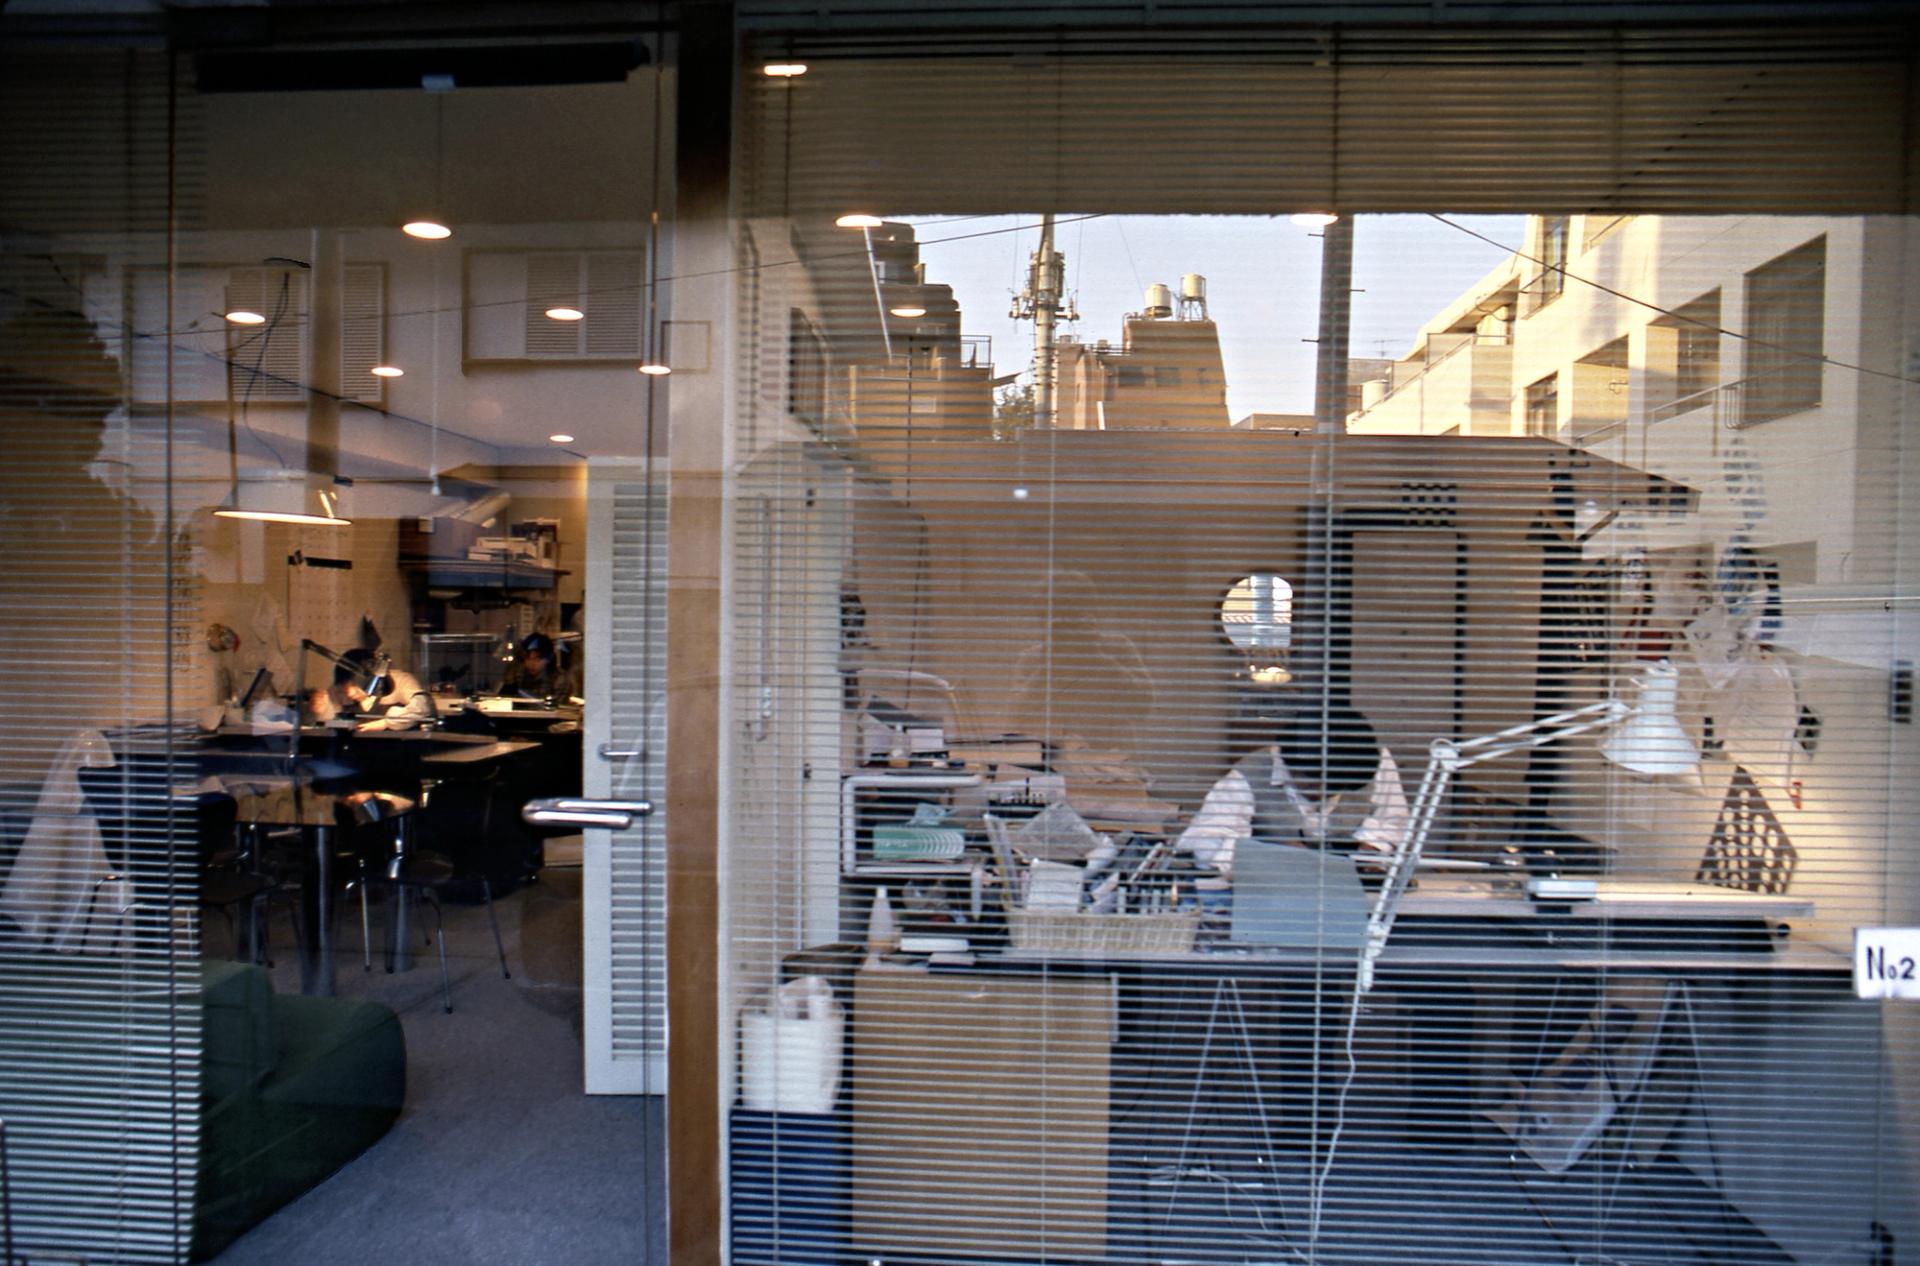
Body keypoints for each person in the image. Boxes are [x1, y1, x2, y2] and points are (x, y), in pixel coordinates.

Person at [1177, 705, 1409, 877]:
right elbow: (1206, 844)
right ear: (1288, 761)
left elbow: (1392, 821)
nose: (1320, 795)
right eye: (1311, 783)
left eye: (1332, 789)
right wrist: (1274, 854)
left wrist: (1369, 851)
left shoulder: (1371, 760)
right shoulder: (1249, 775)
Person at [309, 648, 436, 731]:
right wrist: (320, 711)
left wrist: (386, 723)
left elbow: (424, 706)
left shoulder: (402, 680)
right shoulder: (338, 691)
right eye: (344, 687)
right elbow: (325, 722)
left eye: (353, 685)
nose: (349, 693)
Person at [501, 632, 577, 701]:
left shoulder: (560, 680)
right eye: (528, 658)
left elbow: (556, 709)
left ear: (548, 659)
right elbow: (504, 699)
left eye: (537, 658)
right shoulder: (519, 674)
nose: (532, 663)